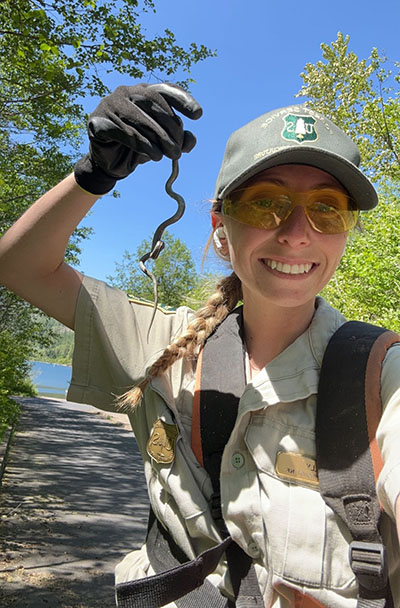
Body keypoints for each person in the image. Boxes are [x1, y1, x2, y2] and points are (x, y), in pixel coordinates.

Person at [0, 82, 399, 608]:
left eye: (327, 209)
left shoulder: (383, 377)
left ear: (345, 232)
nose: (299, 232)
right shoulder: (167, 345)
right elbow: (20, 265)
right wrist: (92, 175)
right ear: (220, 229)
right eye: (266, 204)